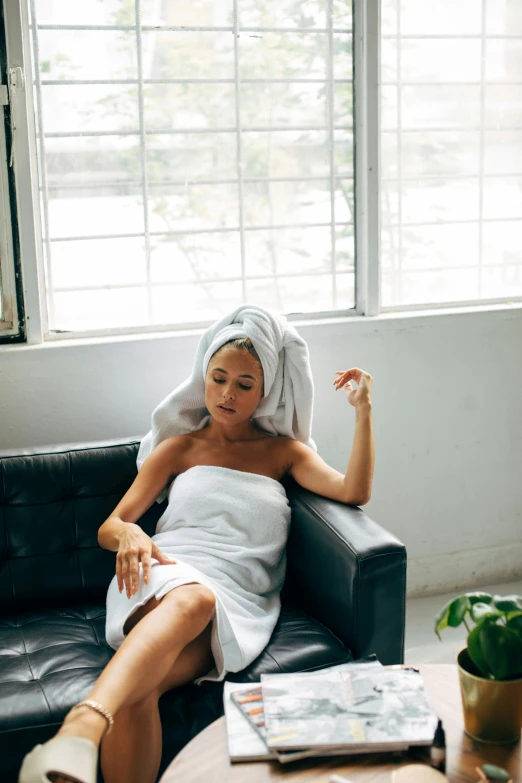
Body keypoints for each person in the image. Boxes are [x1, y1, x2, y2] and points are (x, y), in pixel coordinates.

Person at [18, 312, 374, 783]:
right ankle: (80, 725)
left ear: (263, 393)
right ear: (202, 379)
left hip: (241, 602)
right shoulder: (178, 448)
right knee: (195, 596)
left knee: (139, 693)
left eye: (244, 385)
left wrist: (363, 411)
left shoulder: (284, 453)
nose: (228, 393)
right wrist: (129, 533)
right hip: (164, 575)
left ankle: (85, 730)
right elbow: (112, 524)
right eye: (219, 379)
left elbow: (353, 491)